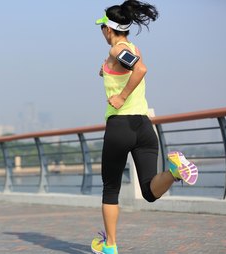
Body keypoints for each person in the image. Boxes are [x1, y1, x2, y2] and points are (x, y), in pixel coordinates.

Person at [91, 1, 198, 254]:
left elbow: (140, 68)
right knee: (150, 191)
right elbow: (128, 66)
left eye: (102, 27)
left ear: (109, 29)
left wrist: (120, 97)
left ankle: (110, 246)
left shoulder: (118, 50)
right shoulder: (129, 48)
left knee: (110, 189)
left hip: (120, 127)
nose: (102, 32)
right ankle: (174, 171)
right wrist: (105, 71)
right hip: (143, 127)